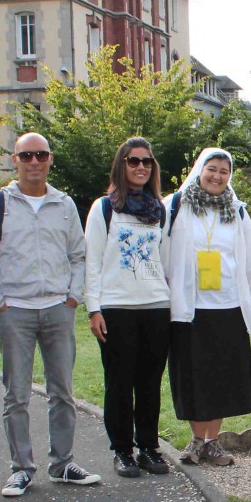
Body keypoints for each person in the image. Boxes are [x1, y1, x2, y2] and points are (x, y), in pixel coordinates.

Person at [0, 132, 96, 497]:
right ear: (15, 160)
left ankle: (62, 464)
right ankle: (21, 469)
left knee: (62, 391)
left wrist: (73, 297)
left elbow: (79, 254)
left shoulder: (63, 205)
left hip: (58, 309)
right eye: (26, 155)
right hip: (16, 310)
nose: (34, 162)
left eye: (40, 155)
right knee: (16, 394)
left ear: (50, 159)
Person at [165, 148, 251, 466]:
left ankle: (213, 441)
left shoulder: (236, 211)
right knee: (194, 375)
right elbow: (163, 251)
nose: (217, 176)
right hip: (190, 306)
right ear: (200, 170)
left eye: (224, 171)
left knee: (222, 375)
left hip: (227, 305)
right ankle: (197, 440)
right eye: (212, 169)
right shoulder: (176, 206)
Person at [85, 137, 172, 478]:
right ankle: (122, 450)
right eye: (133, 161)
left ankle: (149, 447)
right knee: (119, 383)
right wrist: (94, 309)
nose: (140, 167)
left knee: (150, 383)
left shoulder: (159, 209)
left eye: (146, 162)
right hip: (117, 308)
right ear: (121, 165)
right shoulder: (104, 208)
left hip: (155, 306)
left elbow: (164, 260)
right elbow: (91, 261)